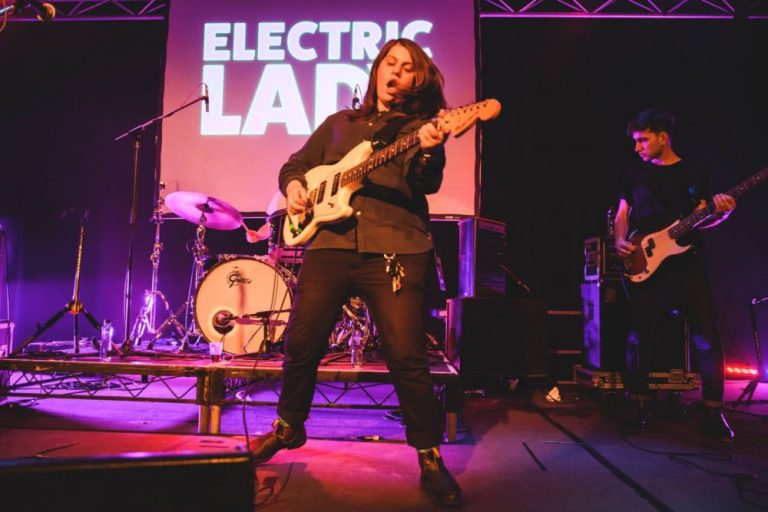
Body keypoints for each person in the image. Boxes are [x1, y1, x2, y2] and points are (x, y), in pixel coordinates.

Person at [247, 38, 463, 507]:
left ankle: (428, 455)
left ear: (416, 80)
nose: (396, 71)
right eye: (390, 62)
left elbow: (426, 183)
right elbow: (295, 165)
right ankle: (288, 427)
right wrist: (296, 187)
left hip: (397, 248)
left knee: (406, 356)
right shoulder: (340, 124)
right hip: (330, 245)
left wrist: (430, 150)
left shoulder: (421, 127)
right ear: (377, 69)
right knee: (301, 344)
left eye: (407, 67)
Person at [613, 106, 736, 441]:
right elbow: (623, 212)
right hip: (646, 262)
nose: (637, 147)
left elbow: (703, 216)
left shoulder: (693, 171)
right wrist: (621, 239)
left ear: (663, 138)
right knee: (639, 336)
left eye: (642, 140)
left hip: (687, 263)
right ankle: (639, 406)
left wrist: (722, 213)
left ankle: (713, 413)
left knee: (706, 337)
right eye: (635, 141)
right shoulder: (633, 173)